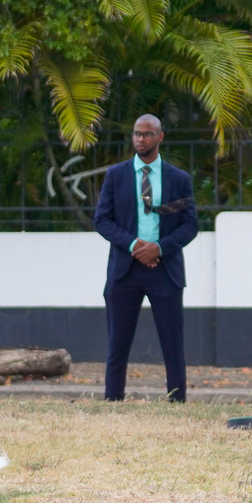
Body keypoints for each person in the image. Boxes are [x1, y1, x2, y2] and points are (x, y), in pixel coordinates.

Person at [94, 114, 199, 401]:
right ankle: (113, 399)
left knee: (172, 343)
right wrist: (133, 245)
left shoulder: (179, 178)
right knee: (118, 342)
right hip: (125, 271)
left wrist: (159, 248)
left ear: (160, 137)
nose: (141, 139)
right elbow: (102, 219)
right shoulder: (116, 175)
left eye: (147, 134)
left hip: (165, 270)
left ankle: (176, 401)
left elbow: (190, 225)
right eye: (137, 134)